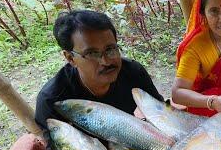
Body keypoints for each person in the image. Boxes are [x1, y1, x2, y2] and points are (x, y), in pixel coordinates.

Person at [35, 10, 164, 132]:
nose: (106, 61)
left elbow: (162, 113)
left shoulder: (133, 72)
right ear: (70, 58)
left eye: (110, 49)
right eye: (92, 53)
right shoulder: (53, 100)